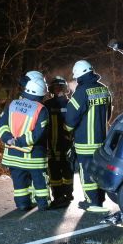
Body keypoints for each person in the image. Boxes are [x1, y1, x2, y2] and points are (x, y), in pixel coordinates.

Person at [0, 71, 51, 211]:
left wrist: (8, 139)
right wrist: (20, 141)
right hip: (34, 156)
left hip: (13, 155)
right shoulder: (41, 109)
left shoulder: (12, 104)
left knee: (19, 183)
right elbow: (38, 134)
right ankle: (43, 204)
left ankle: (22, 204)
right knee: (40, 182)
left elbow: (1, 125)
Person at [64, 59, 112, 212]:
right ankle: (100, 199)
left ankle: (92, 202)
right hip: (102, 142)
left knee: (87, 172)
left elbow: (71, 118)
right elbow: (108, 114)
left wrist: (67, 130)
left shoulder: (81, 92)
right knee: (99, 171)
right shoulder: (104, 89)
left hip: (85, 142)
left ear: (78, 75)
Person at [44, 76, 74, 206]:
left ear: (65, 88)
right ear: (51, 89)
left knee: (68, 169)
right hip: (51, 144)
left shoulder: (71, 103)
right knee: (54, 170)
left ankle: (68, 193)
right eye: (55, 87)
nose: (58, 90)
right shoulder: (47, 105)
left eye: (60, 87)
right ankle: (58, 195)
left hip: (67, 143)